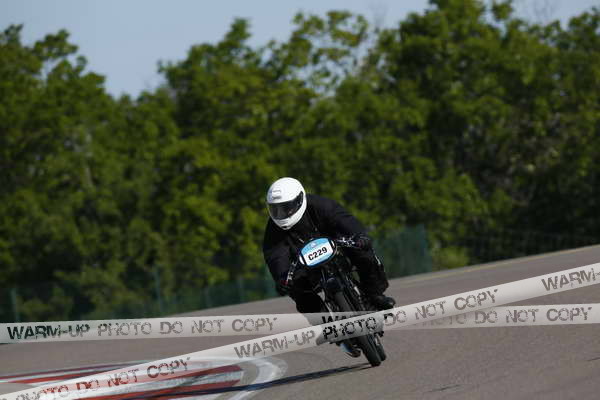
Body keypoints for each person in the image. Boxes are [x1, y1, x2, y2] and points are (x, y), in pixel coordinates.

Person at [262, 177, 396, 314]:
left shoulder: (320, 204)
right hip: (304, 265)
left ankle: (374, 294)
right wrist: (282, 279)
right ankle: (323, 320)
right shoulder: (272, 230)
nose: (281, 214)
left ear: (300, 199)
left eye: (286, 208)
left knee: (364, 254)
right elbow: (276, 257)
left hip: (337, 245)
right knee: (297, 291)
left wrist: (360, 236)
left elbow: (343, 219)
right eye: (275, 209)